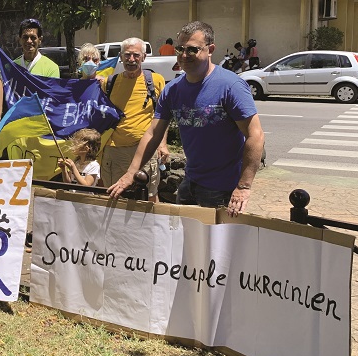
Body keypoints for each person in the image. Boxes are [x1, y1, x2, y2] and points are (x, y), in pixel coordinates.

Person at [107, 21, 265, 217]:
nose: (183, 55)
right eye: (180, 49)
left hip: (222, 188)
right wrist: (131, 173)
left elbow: (255, 135)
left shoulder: (230, 86)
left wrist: (243, 186)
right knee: (183, 241)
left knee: (215, 245)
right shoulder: (173, 89)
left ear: (210, 50)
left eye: (192, 50)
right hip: (190, 182)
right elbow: (153, 133)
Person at [99, 38, 168, 202]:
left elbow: (164, 115)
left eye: (136, 55)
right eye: (127, 55)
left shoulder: (156, 81)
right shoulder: (109, 82)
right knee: (114, 196)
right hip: (115, 151)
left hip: (146, 150)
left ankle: (152, 228)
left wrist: (163, 143)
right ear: (121, 57)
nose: (131, 59)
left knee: (150, 197)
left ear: (143, 57)